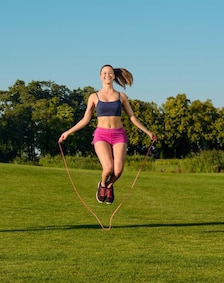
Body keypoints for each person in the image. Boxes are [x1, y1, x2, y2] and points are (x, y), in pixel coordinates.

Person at [58, 64, 155, 204]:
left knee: (118, 170)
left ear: (114, 76)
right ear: (100, 76)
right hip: (101, 135)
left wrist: (148, 132)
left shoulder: (121, 96)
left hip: (119, 134)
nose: (107, 75)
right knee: (108, 168)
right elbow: (85, 119)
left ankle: (110, 186)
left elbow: (132, 117)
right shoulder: (94, 96)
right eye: (104, 73)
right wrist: (67, 132)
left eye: (110, 73)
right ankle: (103, 185)